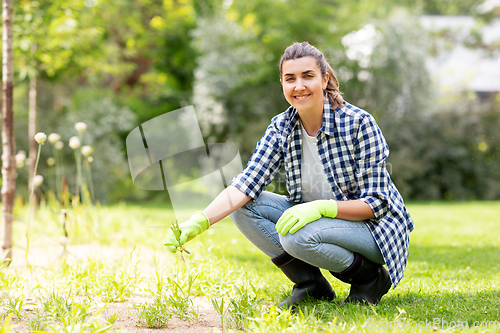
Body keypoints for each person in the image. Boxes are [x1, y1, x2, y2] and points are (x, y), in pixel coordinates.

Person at [164, 41, 414, 307]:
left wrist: (323, 208)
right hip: (318, 219)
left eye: (308, 76)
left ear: (324, 78)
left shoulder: (358, 123)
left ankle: (370, 279)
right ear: (282, 84)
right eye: (290, 78)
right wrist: (200, 220)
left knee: (296, 236)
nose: (299, 86)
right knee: (244, 208)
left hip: (374, 230)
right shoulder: (282, 126)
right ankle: (311, 284)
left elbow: (377, 203)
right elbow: (247, 183)